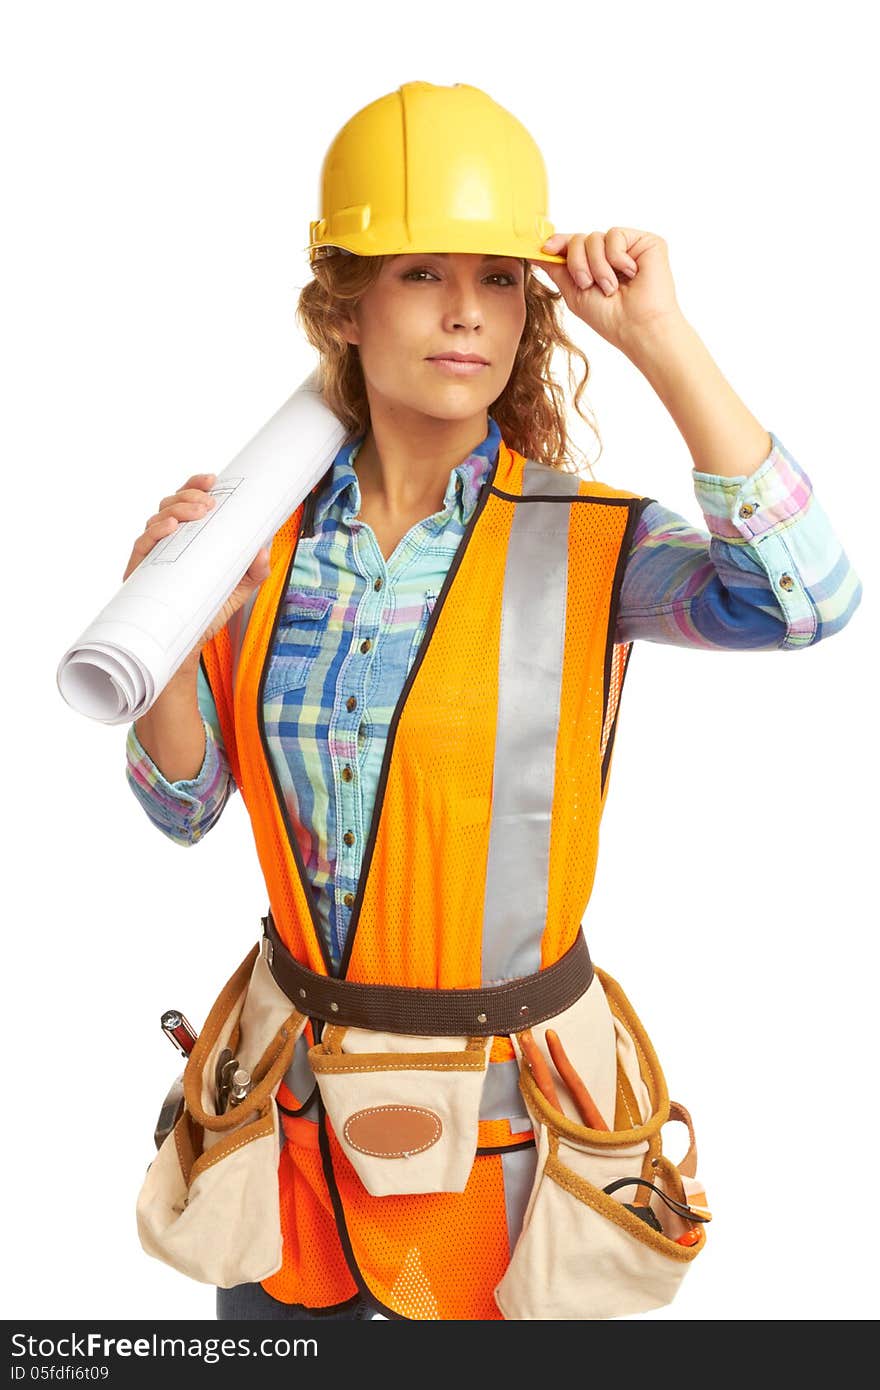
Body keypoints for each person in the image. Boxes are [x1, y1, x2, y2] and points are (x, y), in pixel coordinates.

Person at [123, 82, 862, 1321]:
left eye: (502, 278)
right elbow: (184, 803)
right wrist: (168, 628)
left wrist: (662, 339)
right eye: (422, 272)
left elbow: (805, 599)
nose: (469, 311)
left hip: (510, 1150)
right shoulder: (253, 538)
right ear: (345, 306)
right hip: (287, 1129)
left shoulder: (586, 542)